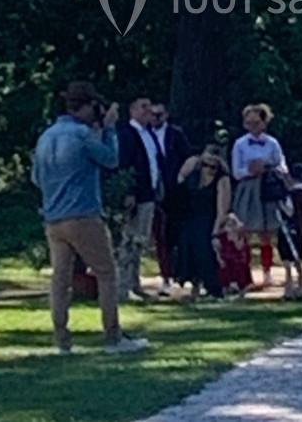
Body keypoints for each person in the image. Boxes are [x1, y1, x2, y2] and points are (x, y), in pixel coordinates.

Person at [32, 81, 148, 354]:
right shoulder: (82, 135)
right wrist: (108, 129)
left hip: (53, 217)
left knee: (60, 280)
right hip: (83, 214)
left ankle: (62, 340)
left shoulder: (46, 136)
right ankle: (113, 336)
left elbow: (36, 177)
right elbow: (110, 160)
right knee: (107, 274)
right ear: (86, 106)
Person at [231, 104, 287, 287]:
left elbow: (282, 167)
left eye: (256, 122)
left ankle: (267, 272)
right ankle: (244, 273)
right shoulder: (239, 144)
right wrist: (250, 170)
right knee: (244, 231)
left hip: (267, 188)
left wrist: (268, 167)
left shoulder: (272, 143)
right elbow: (236, 171)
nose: (252, 126)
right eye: (248, 123)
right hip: (248, 188)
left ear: (264, 123)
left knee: (267, 232)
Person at [174, 145, 232, 300]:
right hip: (190, 217)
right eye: (205, 165)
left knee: (206, 252)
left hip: (209, 219)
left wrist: (215, 232)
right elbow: (179, 182)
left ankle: (214, 289)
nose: (208, 169)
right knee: (188, 250)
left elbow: (222, 209)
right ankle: (194, 286)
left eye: (213, 166)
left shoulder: (222, 179)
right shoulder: (193, 171)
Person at [116, 97, 160, 300]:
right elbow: (125, 163)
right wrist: (128, 191)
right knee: (128, 240)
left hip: (149, 194)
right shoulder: (127, 134)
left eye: (149, 107)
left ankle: (135, 283)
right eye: (143, 107)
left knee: (140, 241)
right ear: (132, 110)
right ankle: (123, 286)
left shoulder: (149, 134)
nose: (147, 111)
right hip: (135, 195)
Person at [150, 102, 191, 297]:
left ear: (166, 115)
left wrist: (181, 178)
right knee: (161, 236)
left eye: (159, 114)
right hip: (156, 190)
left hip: (176, 190)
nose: (156, 118)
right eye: (153, 114)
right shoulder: (145, 135)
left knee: (178, 232)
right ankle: (166, 275)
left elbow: (187, 157)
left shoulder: (176, 134)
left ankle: (182, 273)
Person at [277, 163, 302, 300]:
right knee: (298, 259)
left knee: (287, 262)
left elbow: (289, 212)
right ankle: (301, 288)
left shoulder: (291, 195)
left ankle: (289, 289)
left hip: (289, 229)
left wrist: (280, 205)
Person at [215, 213, 253, 295]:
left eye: (233, 224)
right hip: (226, 259)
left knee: (239, 266)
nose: (231, 227)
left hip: (238, 259)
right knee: (224, 267)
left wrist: (235, 239)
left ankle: (241, 287)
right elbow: (218, 250)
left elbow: (241, 249)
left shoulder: (240, 236)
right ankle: (227, 287)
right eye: (228, 225)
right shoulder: (222, 237)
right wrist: (219, 259)